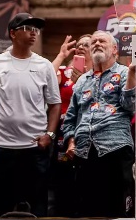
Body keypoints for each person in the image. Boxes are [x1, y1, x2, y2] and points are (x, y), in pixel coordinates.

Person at [0, 13, 61, 217]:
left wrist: (50, 134)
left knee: (36, 210)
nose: (33, 33)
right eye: (27, 28)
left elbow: (55, 104)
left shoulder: (45, 65)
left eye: (35, 29)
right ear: (12, 33)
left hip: (33, 151)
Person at [62, 31, 136, 218]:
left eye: (102, 41)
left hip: (115, 149)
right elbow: (70, 117)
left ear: (114, 50)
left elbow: (130, 106)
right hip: (85, 152)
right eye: (93, 41)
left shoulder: (124, 73)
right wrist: (70, 142)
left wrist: (133, 74)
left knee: (117, 210)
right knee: (88, 210)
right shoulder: (82, 81)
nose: (96, 43)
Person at [50, 33, 90, 216]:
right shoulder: (65, 71)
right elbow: (46, 77)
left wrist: (81, 81)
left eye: (86, 45)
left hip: (87, 133)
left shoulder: (96, 74)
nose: (81, 46)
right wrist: (61, 55)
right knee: (62, 182)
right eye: (79, 44)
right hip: (63, 135)